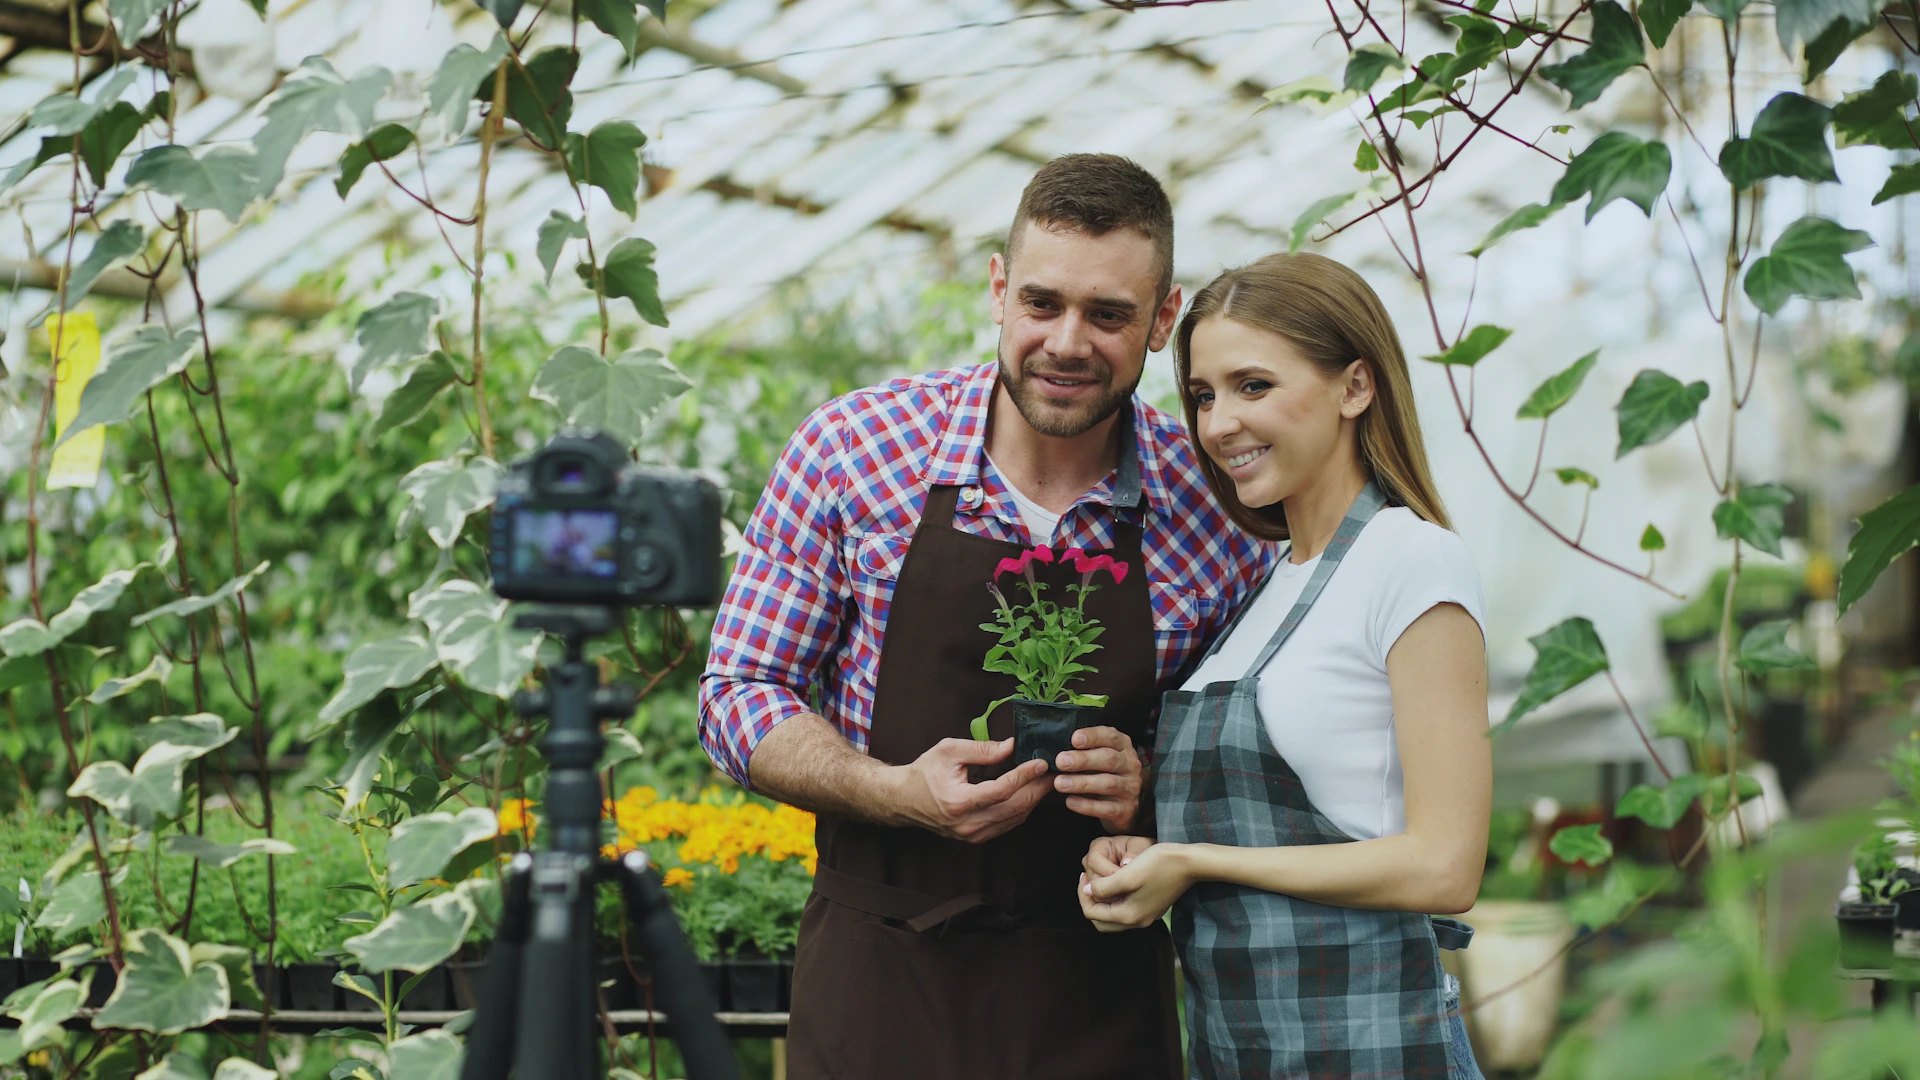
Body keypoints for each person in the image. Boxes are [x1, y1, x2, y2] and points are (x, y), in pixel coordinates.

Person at [698, 154, 1273, 1080]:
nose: (1068, 341)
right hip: (879, 983)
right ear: (999, 291)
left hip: (1097, 995)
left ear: (1165, 319)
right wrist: (892, 791)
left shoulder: (1213, 507)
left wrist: (1157, 786)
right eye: (1043, 303)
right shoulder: (853, 451)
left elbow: (1263, 758)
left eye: (1110, 314)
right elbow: (738, 692)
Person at [1078, 252, 1492, 1080]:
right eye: (1203, 395)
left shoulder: (1411, 562)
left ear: (1355, 388)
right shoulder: (1264, 584)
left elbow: (1445, 866)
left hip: (1373, 1048)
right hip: (1241, 1053)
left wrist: (1195, 862)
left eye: (1253, 385)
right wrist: (1144, 847)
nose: (1219, 422)